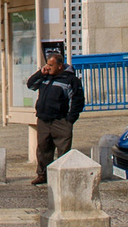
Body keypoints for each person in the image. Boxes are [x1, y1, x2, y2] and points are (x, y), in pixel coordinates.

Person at [26, 50, 85, 185]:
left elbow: (77, 101)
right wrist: (41, 72)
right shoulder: (45, 77)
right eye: (47, 64)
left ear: (60, 66)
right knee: (43, 149)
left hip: (61, 120)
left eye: (51, 65)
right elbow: (30, 85)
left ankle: (62, 176)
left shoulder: (71, 80)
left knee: (63, 150)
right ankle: (42, 175)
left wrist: (70, 120)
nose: (48, 67)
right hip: (44, 119)